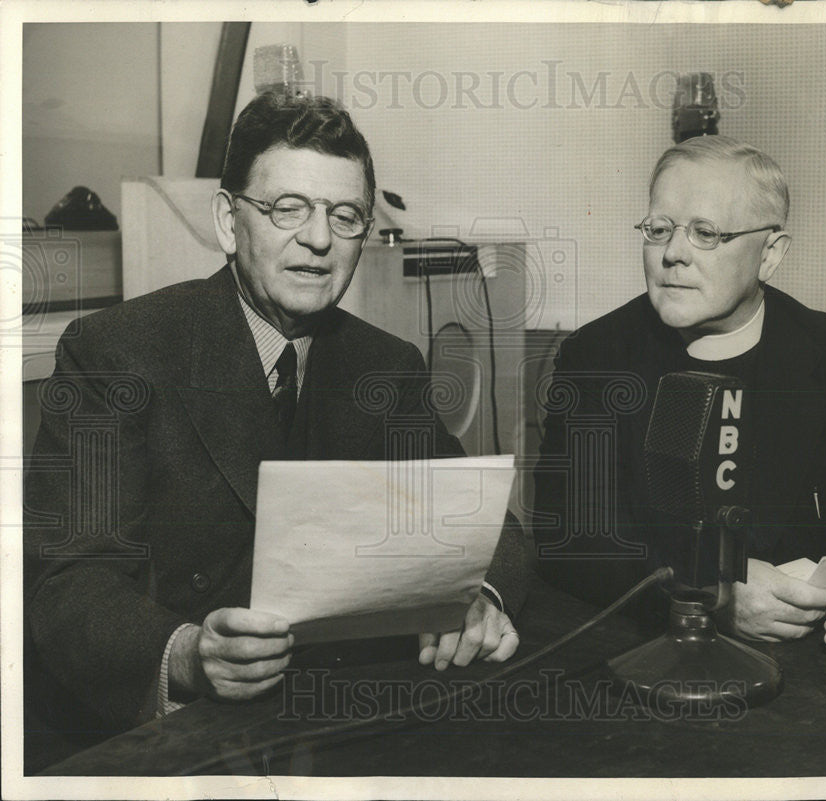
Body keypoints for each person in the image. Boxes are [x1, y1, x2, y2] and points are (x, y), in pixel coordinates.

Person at [24, 93, 525, 766]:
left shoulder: (386, 365)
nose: (318, 239)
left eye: (344, 216)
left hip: (337, 727)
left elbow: (490, 526)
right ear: (230, 222)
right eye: (287, 208)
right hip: (176, 744)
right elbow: (68, 587)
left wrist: (477, 596)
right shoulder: (115, 352)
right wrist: (188, 653)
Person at [533, 135, 826, 667]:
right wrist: (707, 590)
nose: (672, 253)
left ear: (770, 254)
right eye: (658, 229)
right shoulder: (597, 356)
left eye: (705, 233)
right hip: (651, 668)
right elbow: (568, 541)